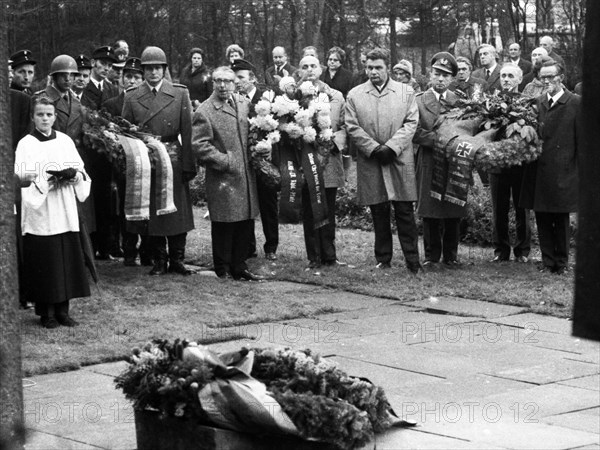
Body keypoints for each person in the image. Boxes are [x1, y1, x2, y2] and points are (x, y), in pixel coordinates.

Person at [14, 96, 92, 328]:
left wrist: (73, 176)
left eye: (49, 114)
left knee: (65, 258)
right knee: (45, 260)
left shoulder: (65, 141)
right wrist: (47, 181)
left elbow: (81, 171)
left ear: (55, 117)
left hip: (64, 207)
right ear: (33, 117)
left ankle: (63, 311)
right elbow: (22, 178)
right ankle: (46, 313)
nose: (45, 118)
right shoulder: (26, 144)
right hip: (41, 210)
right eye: (40, 114)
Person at [345, 48, 421, 274]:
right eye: (369, 67)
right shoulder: (355, 94)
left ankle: (412, 260)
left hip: (399, 159)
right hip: (372, 160)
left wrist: (392, 147)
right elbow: (352, 126)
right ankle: (383, 258)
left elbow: (411, 123)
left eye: (378, 67)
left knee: (404, 211)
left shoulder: (406, 92)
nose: (373, 72)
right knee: (378, 210)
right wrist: (373, 148)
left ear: (388, 67)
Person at [122, 46, 197, 275]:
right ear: (143, 71)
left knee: (177, 212)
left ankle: (177, 259)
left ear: (164, 70)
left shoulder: (180, 93)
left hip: (173, 157)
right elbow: (125, 133)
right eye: (148, 69)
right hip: (147, 160)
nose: (153, 72)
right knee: (153, 212)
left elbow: (189, 131)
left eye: (157, 68)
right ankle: (159, 260)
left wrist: (188, 165)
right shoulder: (132, 95)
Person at [193, 66, 263, 281]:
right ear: (212, 83)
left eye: (227, 81)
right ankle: (222, 267)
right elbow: (199, 145)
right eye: (218, 81)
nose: (223, 85)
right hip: (223, 177)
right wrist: (226, 161)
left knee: (243, 222)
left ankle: (239, 265)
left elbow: (253, 131)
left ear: (235, 83)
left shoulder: (243, 103)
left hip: (245, 175)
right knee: (225, 222)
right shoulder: (205, 111)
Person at [520, 60, 580, 275]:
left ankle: (562, 263)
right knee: (542, 215)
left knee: (560, 218)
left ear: (561, 77)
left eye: (550, 76)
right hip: (539, 170)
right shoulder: (537, 103)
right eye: (542, 77)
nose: (546, 81)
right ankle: (548, 261)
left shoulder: (575, 103)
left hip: (564, 170)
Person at [413, 52, 464, 268]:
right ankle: (431, 255)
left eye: (446, 75)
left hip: (454, 162)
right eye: (437, 74)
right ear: (429, 75)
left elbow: (467, 130)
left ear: (452, 78)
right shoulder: (418, 100)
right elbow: (413, 131)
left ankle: (451, 255)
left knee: (453, 205)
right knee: (430, 208)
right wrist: (441, 140)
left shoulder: (460, 101)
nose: (440, 79)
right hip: (428, 160)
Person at [297, 55, 347, 268]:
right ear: (299, 71)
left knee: (328, 207)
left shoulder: (336, 96)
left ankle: (330, 255)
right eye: (305, 66)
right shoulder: (293, 96)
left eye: (313, 66)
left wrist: (334, 143)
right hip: (306, 160)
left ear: (321, 69)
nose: (310, 70)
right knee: (310, 210)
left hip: (329, 158)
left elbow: (345, 125)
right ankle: (314, 256)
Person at [232, 58, 279, 261]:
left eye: (241, 78)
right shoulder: (233, 100)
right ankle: (248, 246)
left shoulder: (268, 98)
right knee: (246, 204)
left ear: (252, 79)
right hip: (243, 160)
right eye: (234, 79)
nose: (237, 82)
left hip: (265, 160)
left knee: (268, 204)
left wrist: (271, 149)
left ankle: (271, 247)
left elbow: (279, 127)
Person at [489, 65, 530, 263]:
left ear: (519, 79)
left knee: (522, 208)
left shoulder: (526, 102)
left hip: (520, 165)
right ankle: (501, 250)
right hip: (497, 163)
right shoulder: (490, 102)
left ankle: (522, 250)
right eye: (503, 75)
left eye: (510, 76)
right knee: (499, 208)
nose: (505, 79)